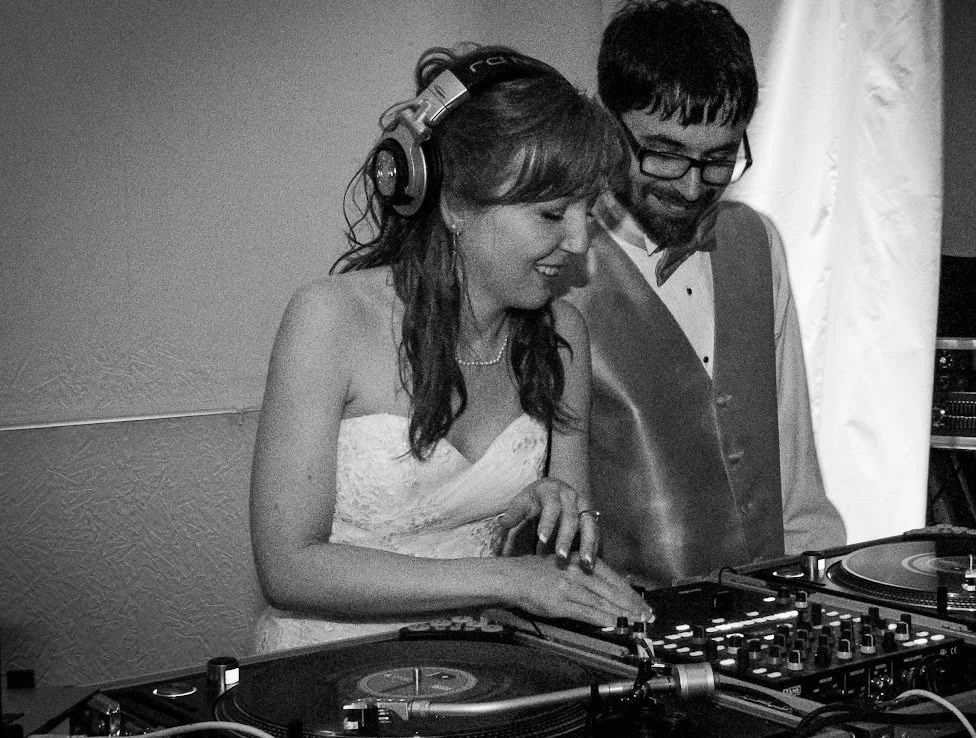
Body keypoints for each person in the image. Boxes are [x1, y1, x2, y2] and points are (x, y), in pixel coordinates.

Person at [249, 44, 651, 653]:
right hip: (322, 673)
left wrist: (546, 526)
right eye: (549, 214)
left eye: (586, 212)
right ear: (455, 204)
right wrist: (506, 579)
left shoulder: (564, 333)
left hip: (480, 670)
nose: (578, 242)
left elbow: (563, 558)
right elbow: (289, 568)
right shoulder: (328, 318)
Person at [561, 0, 846, 588]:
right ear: (605, 123)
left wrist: (820, 581)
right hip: (623, 635)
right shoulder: (557, 260)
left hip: (768, 610)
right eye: (664, 155)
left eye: (718, 160)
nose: (692, 187)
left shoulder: (757, 240)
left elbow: (795, 473)